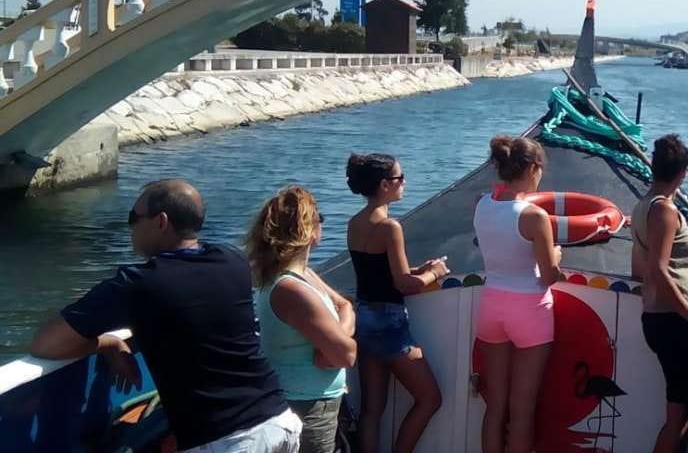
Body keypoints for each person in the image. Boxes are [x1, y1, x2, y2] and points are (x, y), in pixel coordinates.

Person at [29, 179, 297, 452]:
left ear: (161, 221)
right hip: (279, 421)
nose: (130, 225)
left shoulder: (136, 285)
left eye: (134, 217)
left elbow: (46, 344)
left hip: (228, 440)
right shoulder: (232, 260)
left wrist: (108, 343)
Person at [346, 153, 447, 453]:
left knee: (371, 410)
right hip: (389, 324)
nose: (404, 183)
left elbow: (375, 271)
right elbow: (404, 285)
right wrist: (434, 273)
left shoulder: (354, 223)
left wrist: (418, 269)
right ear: (384, 185)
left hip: (363, 318)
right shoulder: (390, 227)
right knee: (430, 399)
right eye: (400, 178)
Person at [247, 186, 356, 453]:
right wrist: (337, 344)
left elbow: (345, 305)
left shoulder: (302, 275)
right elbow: (347, 354)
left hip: (313, 400)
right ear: (307, 230)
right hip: (305, 407)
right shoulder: (291, 289)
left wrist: (332, 344)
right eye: (320, 218)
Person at [473, 135, 563, 453]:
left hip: (491, 306)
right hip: (529, 309)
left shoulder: (482, 204)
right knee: (522, 411)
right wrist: (557, 254)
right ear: (533, 168)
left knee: (495, 406)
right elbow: (549, 275)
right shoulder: (533, 216)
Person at [631, 134, 688, 453]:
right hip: (675, 322)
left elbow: (640, 267)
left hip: (657, 316)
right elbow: (659, 270)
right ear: (683, 173)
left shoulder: (643, 206)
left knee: (680, 409)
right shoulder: (664, 211)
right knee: (679, 415)